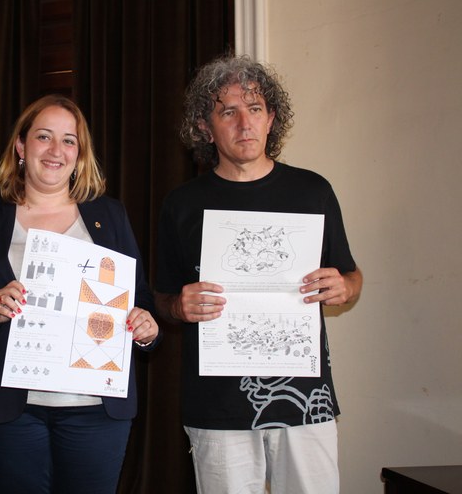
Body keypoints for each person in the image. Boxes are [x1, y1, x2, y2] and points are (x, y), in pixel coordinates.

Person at [154, 55, 363, 494]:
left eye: (254, 109)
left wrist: (344, 286)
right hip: (216, 404)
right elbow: (161, 297)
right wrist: (178, 305)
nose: (244, 123)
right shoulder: (182, 203)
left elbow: (351, 274)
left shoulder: (313, 191)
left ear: (271, 119)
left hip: (306, 397)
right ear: (205, 127)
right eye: (228, 112)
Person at [0, 94, 159, 494]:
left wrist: (146, 327)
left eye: (69, 140)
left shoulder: (110, 216)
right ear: (21, 146)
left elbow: (140, 298)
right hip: (7, 408)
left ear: (80, 154)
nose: (56, 150)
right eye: (44, 136)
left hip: (95, 409)